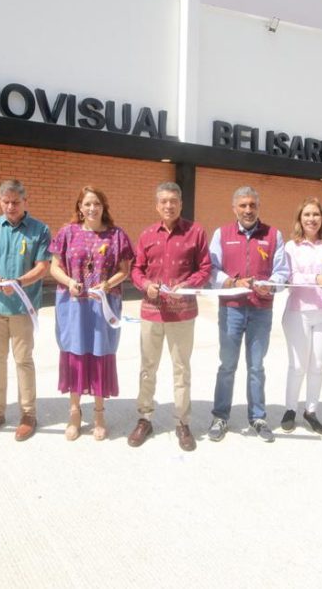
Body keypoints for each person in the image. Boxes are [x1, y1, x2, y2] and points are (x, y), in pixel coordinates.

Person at [128, 182, 212, 451]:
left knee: (181, 369)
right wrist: (145, 285)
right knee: (147, 368)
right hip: (152, 312)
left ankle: (182, 423)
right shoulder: (147, 235)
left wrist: (187, 285)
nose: (169, 205)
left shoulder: (195, 232)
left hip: (182, 313)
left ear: (181, 204)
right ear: (157, 205)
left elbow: (205, 268)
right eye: (163, 201)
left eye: (173, 201)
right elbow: (136, 269)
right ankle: (145, 418)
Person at [49, 186, 134, 441]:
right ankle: (74, 414)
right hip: (74, 305)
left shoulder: (116, 235)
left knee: (99, 354)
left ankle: (99, 415)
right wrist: (69, 281)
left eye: (96, 203)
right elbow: (54, 267)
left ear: (103, 206)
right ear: (79, 207)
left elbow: (125, 270)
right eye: (87, 204)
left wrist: (107, 284)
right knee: (75, 354)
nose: (92, 208)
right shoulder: (67, 232)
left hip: (102, 305)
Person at [208, 186, 289, 443]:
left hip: (260, 310)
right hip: (231, 309)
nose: (248, 210)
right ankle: (220, 416)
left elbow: (282, 272)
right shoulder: (221, 234)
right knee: (227, 366)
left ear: (258, 207)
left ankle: (258, 417)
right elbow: (211, 269)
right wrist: (232, 282)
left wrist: (271, 284)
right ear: (234, 208)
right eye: (243, 205)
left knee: (256, 367)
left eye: (252, 205)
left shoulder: (274, 235)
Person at [0, 180, 51, 440]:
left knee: (23, 361)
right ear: (0, 201)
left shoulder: (40, 230)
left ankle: (28, 414)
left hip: (23, 307)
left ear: (25, 201)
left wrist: (18, 282)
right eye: (5, 202)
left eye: (15, 202)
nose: (10, 207)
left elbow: (42, 267)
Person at [280, 197, 322, 436]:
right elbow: (289, 276)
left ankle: (311, 411)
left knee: (318, 365)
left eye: (316, 214)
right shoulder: (291, 246)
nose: (312, 219)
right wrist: (315, 279)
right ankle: (290, 409)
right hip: (298, 312)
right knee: (298, 365)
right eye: (307, 214)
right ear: (300, 218)